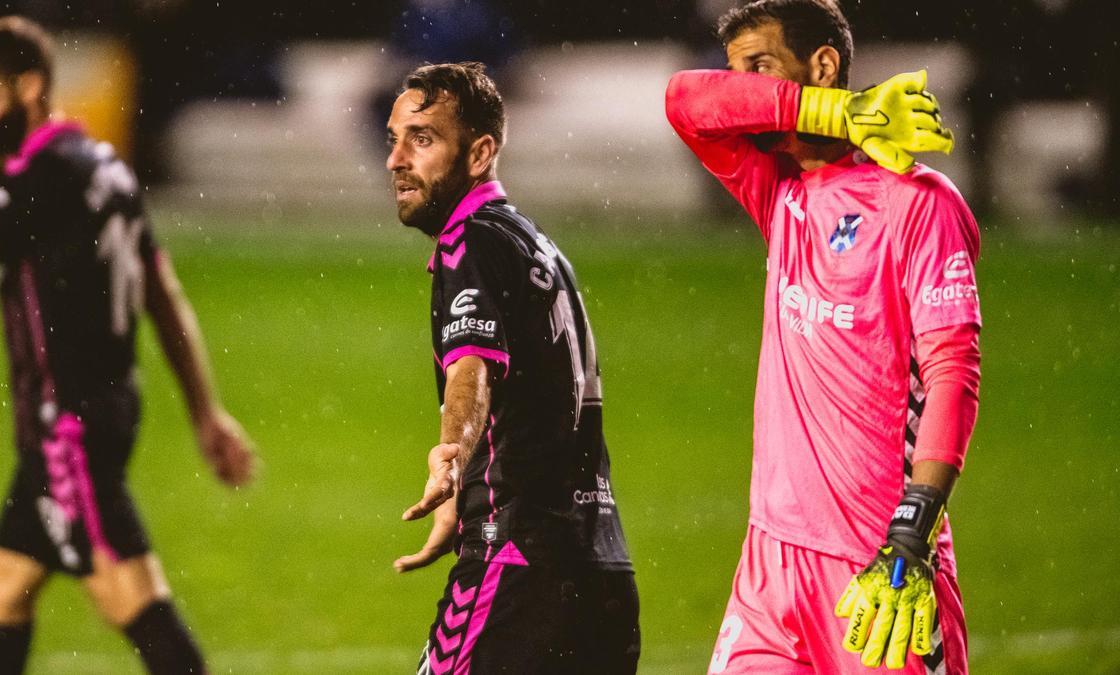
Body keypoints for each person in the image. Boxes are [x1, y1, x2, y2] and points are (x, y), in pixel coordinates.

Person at [0, 17, 255, 674]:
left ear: (32, 85)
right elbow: (162, 294)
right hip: (98, 414)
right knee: (4, 586)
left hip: (65, 429)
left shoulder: (33, 180)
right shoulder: (103, 165)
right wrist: (204, 410)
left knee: (130, 595)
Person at [664, 0, 981, 672]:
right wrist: (835, 113)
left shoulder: (918, 205)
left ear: (823, 65)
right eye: (741, 78)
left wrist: (912, 532)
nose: (753, 99)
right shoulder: (779, 190)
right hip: (769, 571)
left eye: (762, 71)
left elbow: (954, 368)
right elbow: (685, 100)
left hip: (879, 567)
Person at [385, 62, 639, 674]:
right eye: (392, 138)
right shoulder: (532, 242)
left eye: (421, 139)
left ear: (480, 153)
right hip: (600, 569)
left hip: (518, 566)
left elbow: (471, 365)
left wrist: (451, 451)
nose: (396, 159)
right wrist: (464, 492)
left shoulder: (468, 240)